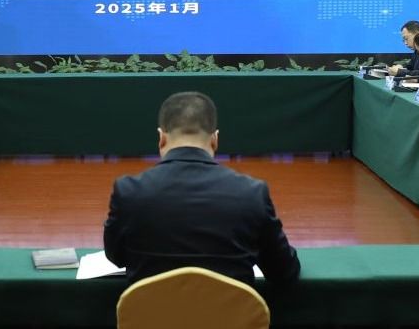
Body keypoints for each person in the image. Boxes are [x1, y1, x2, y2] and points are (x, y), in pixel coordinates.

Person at [104, 91, 300, 289]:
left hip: (150, 310)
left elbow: (117, 257)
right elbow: (284, 272)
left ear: (161, 138)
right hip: (229, 310)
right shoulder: (252, 194)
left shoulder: (128, 192)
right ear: (215, 140)